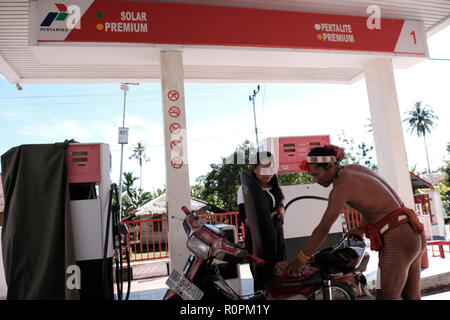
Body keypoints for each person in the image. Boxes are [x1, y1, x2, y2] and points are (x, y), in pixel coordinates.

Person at [283, 144, 426, 300]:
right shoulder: (355, 169)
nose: (316, 180)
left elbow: (323, 229)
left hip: (398, 240)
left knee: (384, 296)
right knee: (411, 296)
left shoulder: (340, 188)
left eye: (317, 174)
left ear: (330, 165)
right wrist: (359, 228)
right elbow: (377, 204)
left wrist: (300, 260)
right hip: (412, 233)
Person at [237, 151, 287, 291]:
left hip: (277, 237)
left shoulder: (275, 188)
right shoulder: (245, 189)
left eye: (271, 169)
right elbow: (243, 215)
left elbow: (280, 205)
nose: (268, 173)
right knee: (261, 278)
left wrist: (281, 209)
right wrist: (253, 222)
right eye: (264, 168)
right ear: (254, 169)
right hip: (257, 241)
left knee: (279, 274)